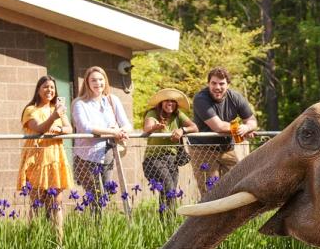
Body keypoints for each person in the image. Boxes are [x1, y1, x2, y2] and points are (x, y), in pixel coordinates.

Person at [16, 75, 73, 238]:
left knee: (57, 203)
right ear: (38, 90)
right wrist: (54, 117)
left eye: (52, 88)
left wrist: (60, 129)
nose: (49, 90)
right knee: (37, 203)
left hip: (55, 157)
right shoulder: (31, 110)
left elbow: (69, 128)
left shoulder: (58, 109)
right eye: (46, 87)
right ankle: (32, 239)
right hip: (36, 159)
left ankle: (58, 241)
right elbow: (39, 128)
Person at [189, 67, 257, 194]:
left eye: (221, 83)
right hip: (203, 148)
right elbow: (218, 126)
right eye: (213, 83)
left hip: (226, 148)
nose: (217, 87)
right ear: (208, 83)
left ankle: (232, 214)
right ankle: (208, 214)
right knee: (210, 191)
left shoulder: (236, 97)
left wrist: (246, 127)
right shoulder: (200, 99)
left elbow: (252, 120)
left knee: (238, 183)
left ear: (228, 84)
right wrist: (240, 129)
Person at [71, 66, 131, 204]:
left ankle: (100, 225)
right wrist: (112, 131)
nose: (98, 83)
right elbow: (85, 127)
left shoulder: (112, 100)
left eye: (100, 79)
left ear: (105, 81)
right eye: (93, 80)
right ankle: (93, 225)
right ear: (87, 82)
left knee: (104, 197)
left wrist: (120, 131)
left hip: (108, 152)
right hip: (86, 157)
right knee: (95, 197)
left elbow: (127, 125)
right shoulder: (79, 103)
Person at [142, 88, 198, 210]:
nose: (170, 104)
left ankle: (167, 224)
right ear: (161, 103)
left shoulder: (178, 115)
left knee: (168, 191)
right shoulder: (153, 113)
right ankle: (171, 219)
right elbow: (147, 128)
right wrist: (155, 127)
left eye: (173, 101)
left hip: (172, 159)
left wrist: (182, 130)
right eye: (167, 101)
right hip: (154, 159)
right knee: (169, 188)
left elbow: (194, 127)